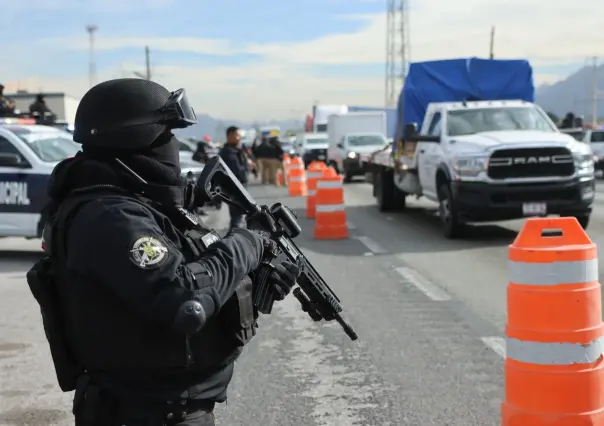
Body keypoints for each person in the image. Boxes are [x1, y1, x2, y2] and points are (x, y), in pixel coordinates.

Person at [28, 78, 300, 426]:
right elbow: (185, 300)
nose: (173, 145)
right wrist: (247, 243)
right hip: (141, 412)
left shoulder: (138, 205)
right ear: (132, 140)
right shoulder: (111, 216)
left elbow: (194, 273)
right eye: (166, 135)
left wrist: (251, 279)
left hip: (165, 407)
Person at [219, 126, 249, 229]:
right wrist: (247, 165)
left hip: (238, 187)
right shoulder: (228, 152)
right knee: (237, 216)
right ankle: (234, 239)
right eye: (237, 135)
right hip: (235, 189)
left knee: (238, 215)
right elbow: (237, 170)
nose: (239, 137)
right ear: (230, 136)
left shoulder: (235, 149)